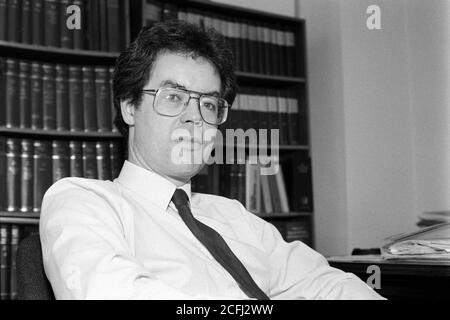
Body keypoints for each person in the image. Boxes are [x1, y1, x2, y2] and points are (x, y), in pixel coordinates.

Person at [39, 20, 384, 300]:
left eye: (208, 103)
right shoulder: (81, 201)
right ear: (129, 106)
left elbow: (328, 284)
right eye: (173, 96)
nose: (196, 118)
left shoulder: (234, 216)